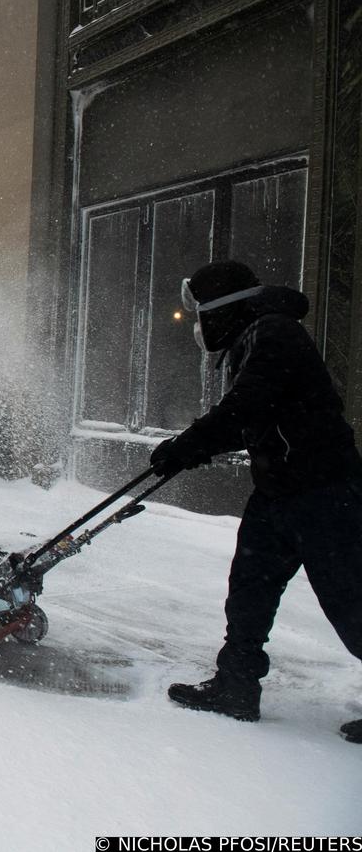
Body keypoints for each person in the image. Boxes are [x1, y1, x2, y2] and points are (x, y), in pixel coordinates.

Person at [149, 260, 362, 744]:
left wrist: (188, 444)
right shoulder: (253, 337)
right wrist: (196, 447)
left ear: (223, 309)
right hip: (280, 491)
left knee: (352, 603)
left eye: (200, 313)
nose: (199, 325)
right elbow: (254, 418)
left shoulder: (275, 333)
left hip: (325, 495)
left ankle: (237, 684)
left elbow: (247, 405)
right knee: (249, 591)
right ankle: (236, 687)